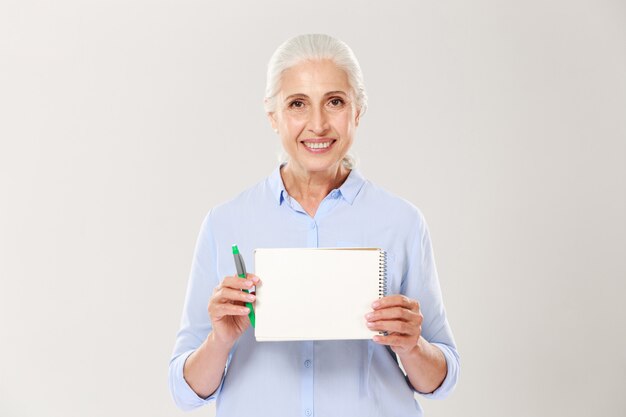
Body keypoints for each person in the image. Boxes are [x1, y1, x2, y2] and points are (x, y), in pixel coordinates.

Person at [168, 34, 460, 417]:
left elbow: (441, 380)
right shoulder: (226, 223)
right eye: (297, 104)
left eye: (335, 102)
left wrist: (412, 346)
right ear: (273, 116)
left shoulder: (401, 222)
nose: (318, 124)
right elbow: (185, 391)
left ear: (358, 112)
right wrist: (219, 341)